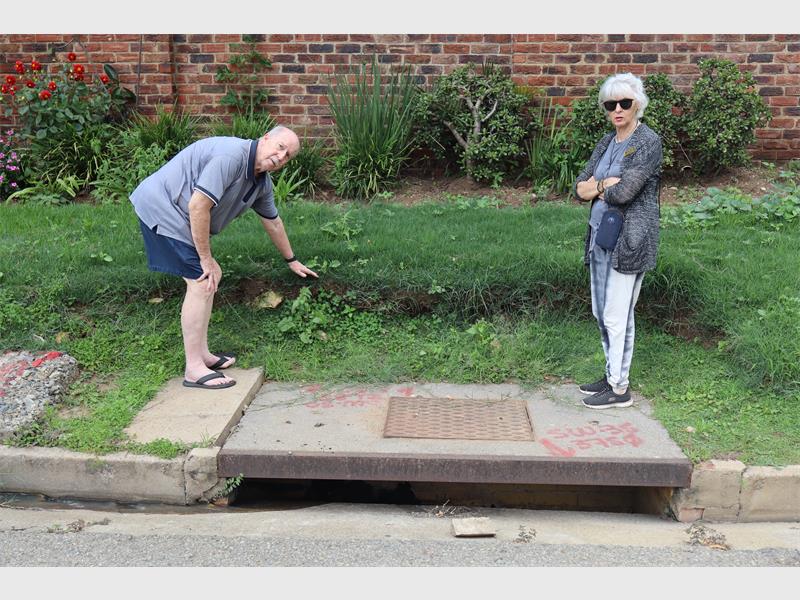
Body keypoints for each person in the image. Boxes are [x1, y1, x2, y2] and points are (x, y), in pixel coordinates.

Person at [130, 125, 318, 390]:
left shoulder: (260, 183)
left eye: (288, 155)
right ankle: (194, 369)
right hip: (163, 207)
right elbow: (198, 206)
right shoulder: (232, 156)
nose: (281, 156)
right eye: (280, 147)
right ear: (265, 138)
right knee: (201, 280)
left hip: (183, 215)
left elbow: (273, 222)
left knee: (210, 277)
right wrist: (206, 259)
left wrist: (292, 260)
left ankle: (203, 354)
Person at [573, 73, 663, 409]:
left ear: (637, 104)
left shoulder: (647, 142)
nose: (618, 110)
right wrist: (600, 185)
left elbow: (625, 192)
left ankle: (620, 389)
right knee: (601, 311)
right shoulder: (606, 142)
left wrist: (600, 187)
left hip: (630, 240)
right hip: (599, 236)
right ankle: (611, 374)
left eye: (625, 102)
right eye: (611, 104)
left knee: (617, 313)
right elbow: (580, 186)